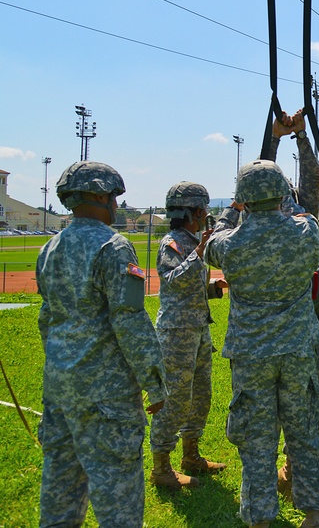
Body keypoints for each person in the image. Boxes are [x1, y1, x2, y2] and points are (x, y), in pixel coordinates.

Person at [36, 161, 166, 528]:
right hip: (105, 395)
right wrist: (154, 380)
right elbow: (129, 319)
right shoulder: (113, 246)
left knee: (61, 488)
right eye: (112, 196)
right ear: (97, 196)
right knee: (117, 495)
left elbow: (48, 319)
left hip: (60, 388)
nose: (116, 204)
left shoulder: (50, 248)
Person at [205, 159, 319, 528]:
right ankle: (314, 514)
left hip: (251, 353)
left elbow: (213, 239)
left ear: (242, 196)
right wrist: (280, 198)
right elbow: (301, 216)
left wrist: (234, 207)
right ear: (281, 194)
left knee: (256, 442)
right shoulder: (304, 230)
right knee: (304, 432)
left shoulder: (228, 243)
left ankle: (260, 519)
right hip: (297, 347)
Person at [264, 110, 319, 502]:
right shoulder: (292, 221)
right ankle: (292, 470)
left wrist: (288, 137)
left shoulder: (270, 219)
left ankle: (289, 469)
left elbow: (307, 184)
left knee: (294, 401)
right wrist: (293, 136)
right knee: (301, 401)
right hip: (292, 329)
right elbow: (302, 186)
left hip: (284, 328)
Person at [149, 182, 227, 490]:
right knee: (175, 400)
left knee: (200, 397)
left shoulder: (192, 241)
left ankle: (191, 455)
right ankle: (161, 466)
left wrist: (213, 289)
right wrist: (197, 254)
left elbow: (190, 286)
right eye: (203, 210)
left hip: (197, 330)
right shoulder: (172, 242)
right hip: (176, 335)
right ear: (193, 212)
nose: (207, 215)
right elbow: (171, 281)